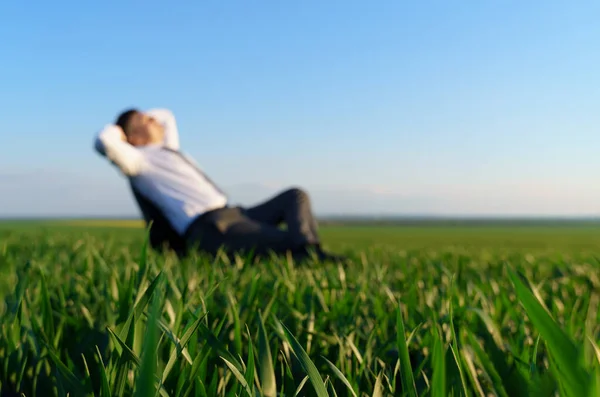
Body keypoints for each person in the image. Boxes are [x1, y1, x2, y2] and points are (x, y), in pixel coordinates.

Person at [93, 107, 345, 263]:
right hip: (211, 228)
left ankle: (309, 251)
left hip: (236, 213)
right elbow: (104, 142)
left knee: (295, 196)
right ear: (134, 138)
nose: (155, 121)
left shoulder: (167, 149)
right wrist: (121, 129)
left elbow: (167, 115)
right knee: (286, 243)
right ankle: (306, 255)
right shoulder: (137, 162)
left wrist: (143, 118)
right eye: (147, 121)